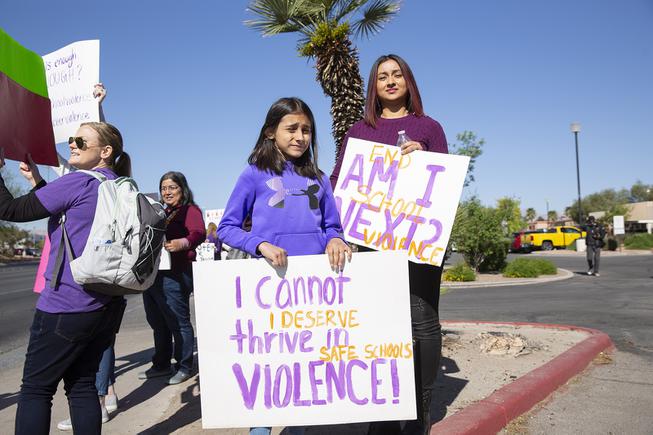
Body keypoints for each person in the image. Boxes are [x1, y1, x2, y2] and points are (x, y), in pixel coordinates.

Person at [217, 97, 352, 435]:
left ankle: (297, 429)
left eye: (306, 130)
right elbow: (227, 228)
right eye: (291, 128)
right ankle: (259, 428)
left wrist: (335, 239)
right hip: (269, 288)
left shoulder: (320, 179)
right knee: (268, 365)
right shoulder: (253, 174)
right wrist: (259, 244)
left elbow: (332, 226)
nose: (300, 136)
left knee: (304, 369)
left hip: (313, 290)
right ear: (270, 133)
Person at [330, 54, 448, 435]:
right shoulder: (359, 131)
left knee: (423, 323)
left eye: (397, 74)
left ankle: (420, 409)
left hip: (419, 244)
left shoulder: (428, 127)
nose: (391, 81)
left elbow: (444, 180)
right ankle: (384, 408)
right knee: (381, 327)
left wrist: (424, 159)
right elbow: (338, 179)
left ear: (408, 81)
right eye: (383, 76)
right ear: (374, 87)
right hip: (375, 246)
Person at [1, 121, 131, 435]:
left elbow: (10, 210)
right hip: (106, 303)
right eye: (72, 139)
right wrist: (37, 182)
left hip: (66, 302)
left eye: (80, 141)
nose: (71, 144)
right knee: (82, 384)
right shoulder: (119, 185)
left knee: (35, 388)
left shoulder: (78, 181)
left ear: (105, 151)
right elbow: (67, 211)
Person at [139, 171, 205, 385]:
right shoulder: (161, 211)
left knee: (178, 321)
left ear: (182, 189)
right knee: (158, 321)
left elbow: (199, 233)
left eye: (172, 187)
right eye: (163, 188)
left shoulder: (189, 210)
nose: (167, 192)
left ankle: (184, 366)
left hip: (176, 273)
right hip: (154, 273)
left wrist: (182, 243)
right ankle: (161, 363)